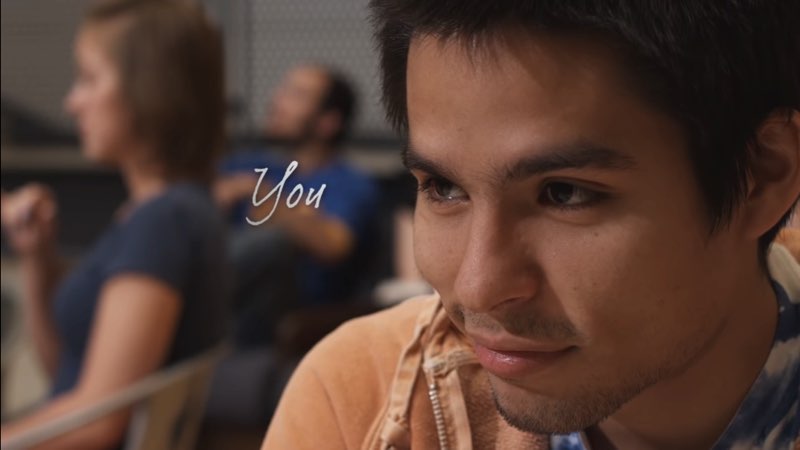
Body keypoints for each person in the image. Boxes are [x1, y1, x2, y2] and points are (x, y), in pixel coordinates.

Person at [263, 1, 800, 449]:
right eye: (443, 188)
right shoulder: (362, 402)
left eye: (564, 194)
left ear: (761, 176)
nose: (479, 288)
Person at [0, 0, 228, 448]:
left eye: (88, 79)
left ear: (151, 90)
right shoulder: (164, 212)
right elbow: (66, 375)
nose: (72, 101)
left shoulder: (164, 222)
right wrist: (37, 258)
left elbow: (98, 422)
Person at [214, 65, 379, 347]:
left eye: (296, 95)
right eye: (282, 90)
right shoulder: (249, 165)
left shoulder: (348, 183)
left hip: (297, 320)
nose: (277, 101)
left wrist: (262, 196)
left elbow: (335, 243)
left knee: (272, 244)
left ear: (328, 122)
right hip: (225, 311)